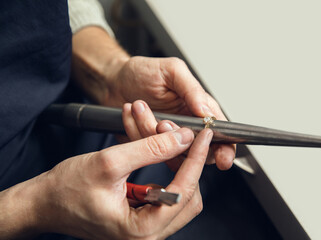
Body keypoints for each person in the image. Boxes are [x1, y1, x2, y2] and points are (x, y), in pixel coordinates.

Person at [0, 0, 237, 239]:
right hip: (27, 204)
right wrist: (33, 206)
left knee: (218, 187)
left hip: (75, 117)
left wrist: (109, 73)